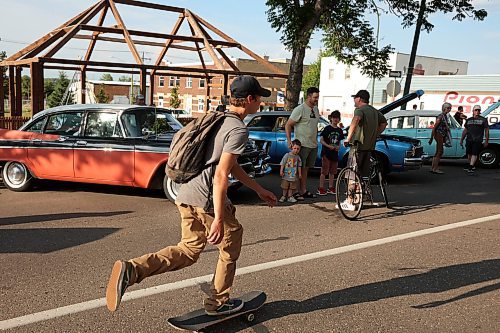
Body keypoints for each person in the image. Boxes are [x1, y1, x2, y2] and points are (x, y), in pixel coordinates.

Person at [105, 75, 277, 315]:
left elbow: (228, 165)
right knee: (230, 244)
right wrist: (218, 217)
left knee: (188, 250)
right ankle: (218, 303)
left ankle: (133, 269)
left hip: (185, 194)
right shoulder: (237, 129)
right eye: (259, 99)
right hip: (206, 199)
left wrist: (259, 189)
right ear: (249, 99)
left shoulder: (214, 118)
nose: (260, 104)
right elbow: (220, 176)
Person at [340, 90, 387, 211]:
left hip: (358, 146)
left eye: (354, 98)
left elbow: (355, 121)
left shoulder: (359, 110)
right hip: (369, 147)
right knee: (364, 175)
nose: (353, 100)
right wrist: (375, 134)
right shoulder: (374, 111)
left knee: (352, 173)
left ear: (359, 99)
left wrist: (348, 138)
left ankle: (351, 201)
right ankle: (363, 197)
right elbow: (384, 123)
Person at [285, 87, 320, 200]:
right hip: (302, 145)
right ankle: (294, 191)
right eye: (315, 97)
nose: (316, 99)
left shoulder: (316, 109)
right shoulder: (300, 109)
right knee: (297, 169)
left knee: (305, 169)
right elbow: (288, 124)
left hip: (313, 144)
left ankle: (303, 190)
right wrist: (290, 140)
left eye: (317, 97)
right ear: (308, 96)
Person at [317, 111, 344, 195]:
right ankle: (321, 187)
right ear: (331, 118)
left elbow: (339, 141)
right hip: (326, 153)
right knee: (324, 171)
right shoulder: (327, 128)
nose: (335, 119)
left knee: (333, 172)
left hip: (335, 154)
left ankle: (331, 187)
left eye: (337, 118)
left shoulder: (340, 130)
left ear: (339, 119)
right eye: (334, 118)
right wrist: (328, 146)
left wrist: (338, 147)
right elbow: (321, 140)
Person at [460, 104, 489, 173]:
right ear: (473, 111)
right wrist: (462, 139)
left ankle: (471, 166)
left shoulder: (483, 120)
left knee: (474, 153)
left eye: (478, 110)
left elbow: (487, 130)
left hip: (478, 139)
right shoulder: (469, 120)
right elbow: (465, 130)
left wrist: (486, 140)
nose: (477, 111)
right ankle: (471, 165)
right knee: (469, 153)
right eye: (476, 110)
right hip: (469, 139)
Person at [428, 102, 452, 174]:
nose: (449, 109)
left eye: (450, 108)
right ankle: (435, 168)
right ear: (444, 108)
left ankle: (433, 168)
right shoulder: (441, 116)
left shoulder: (444, 116)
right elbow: (434, 127)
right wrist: (431, 138)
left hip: (441, 135)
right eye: (448, 108)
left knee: (438, 151)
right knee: (440, 151)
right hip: (439, 135)